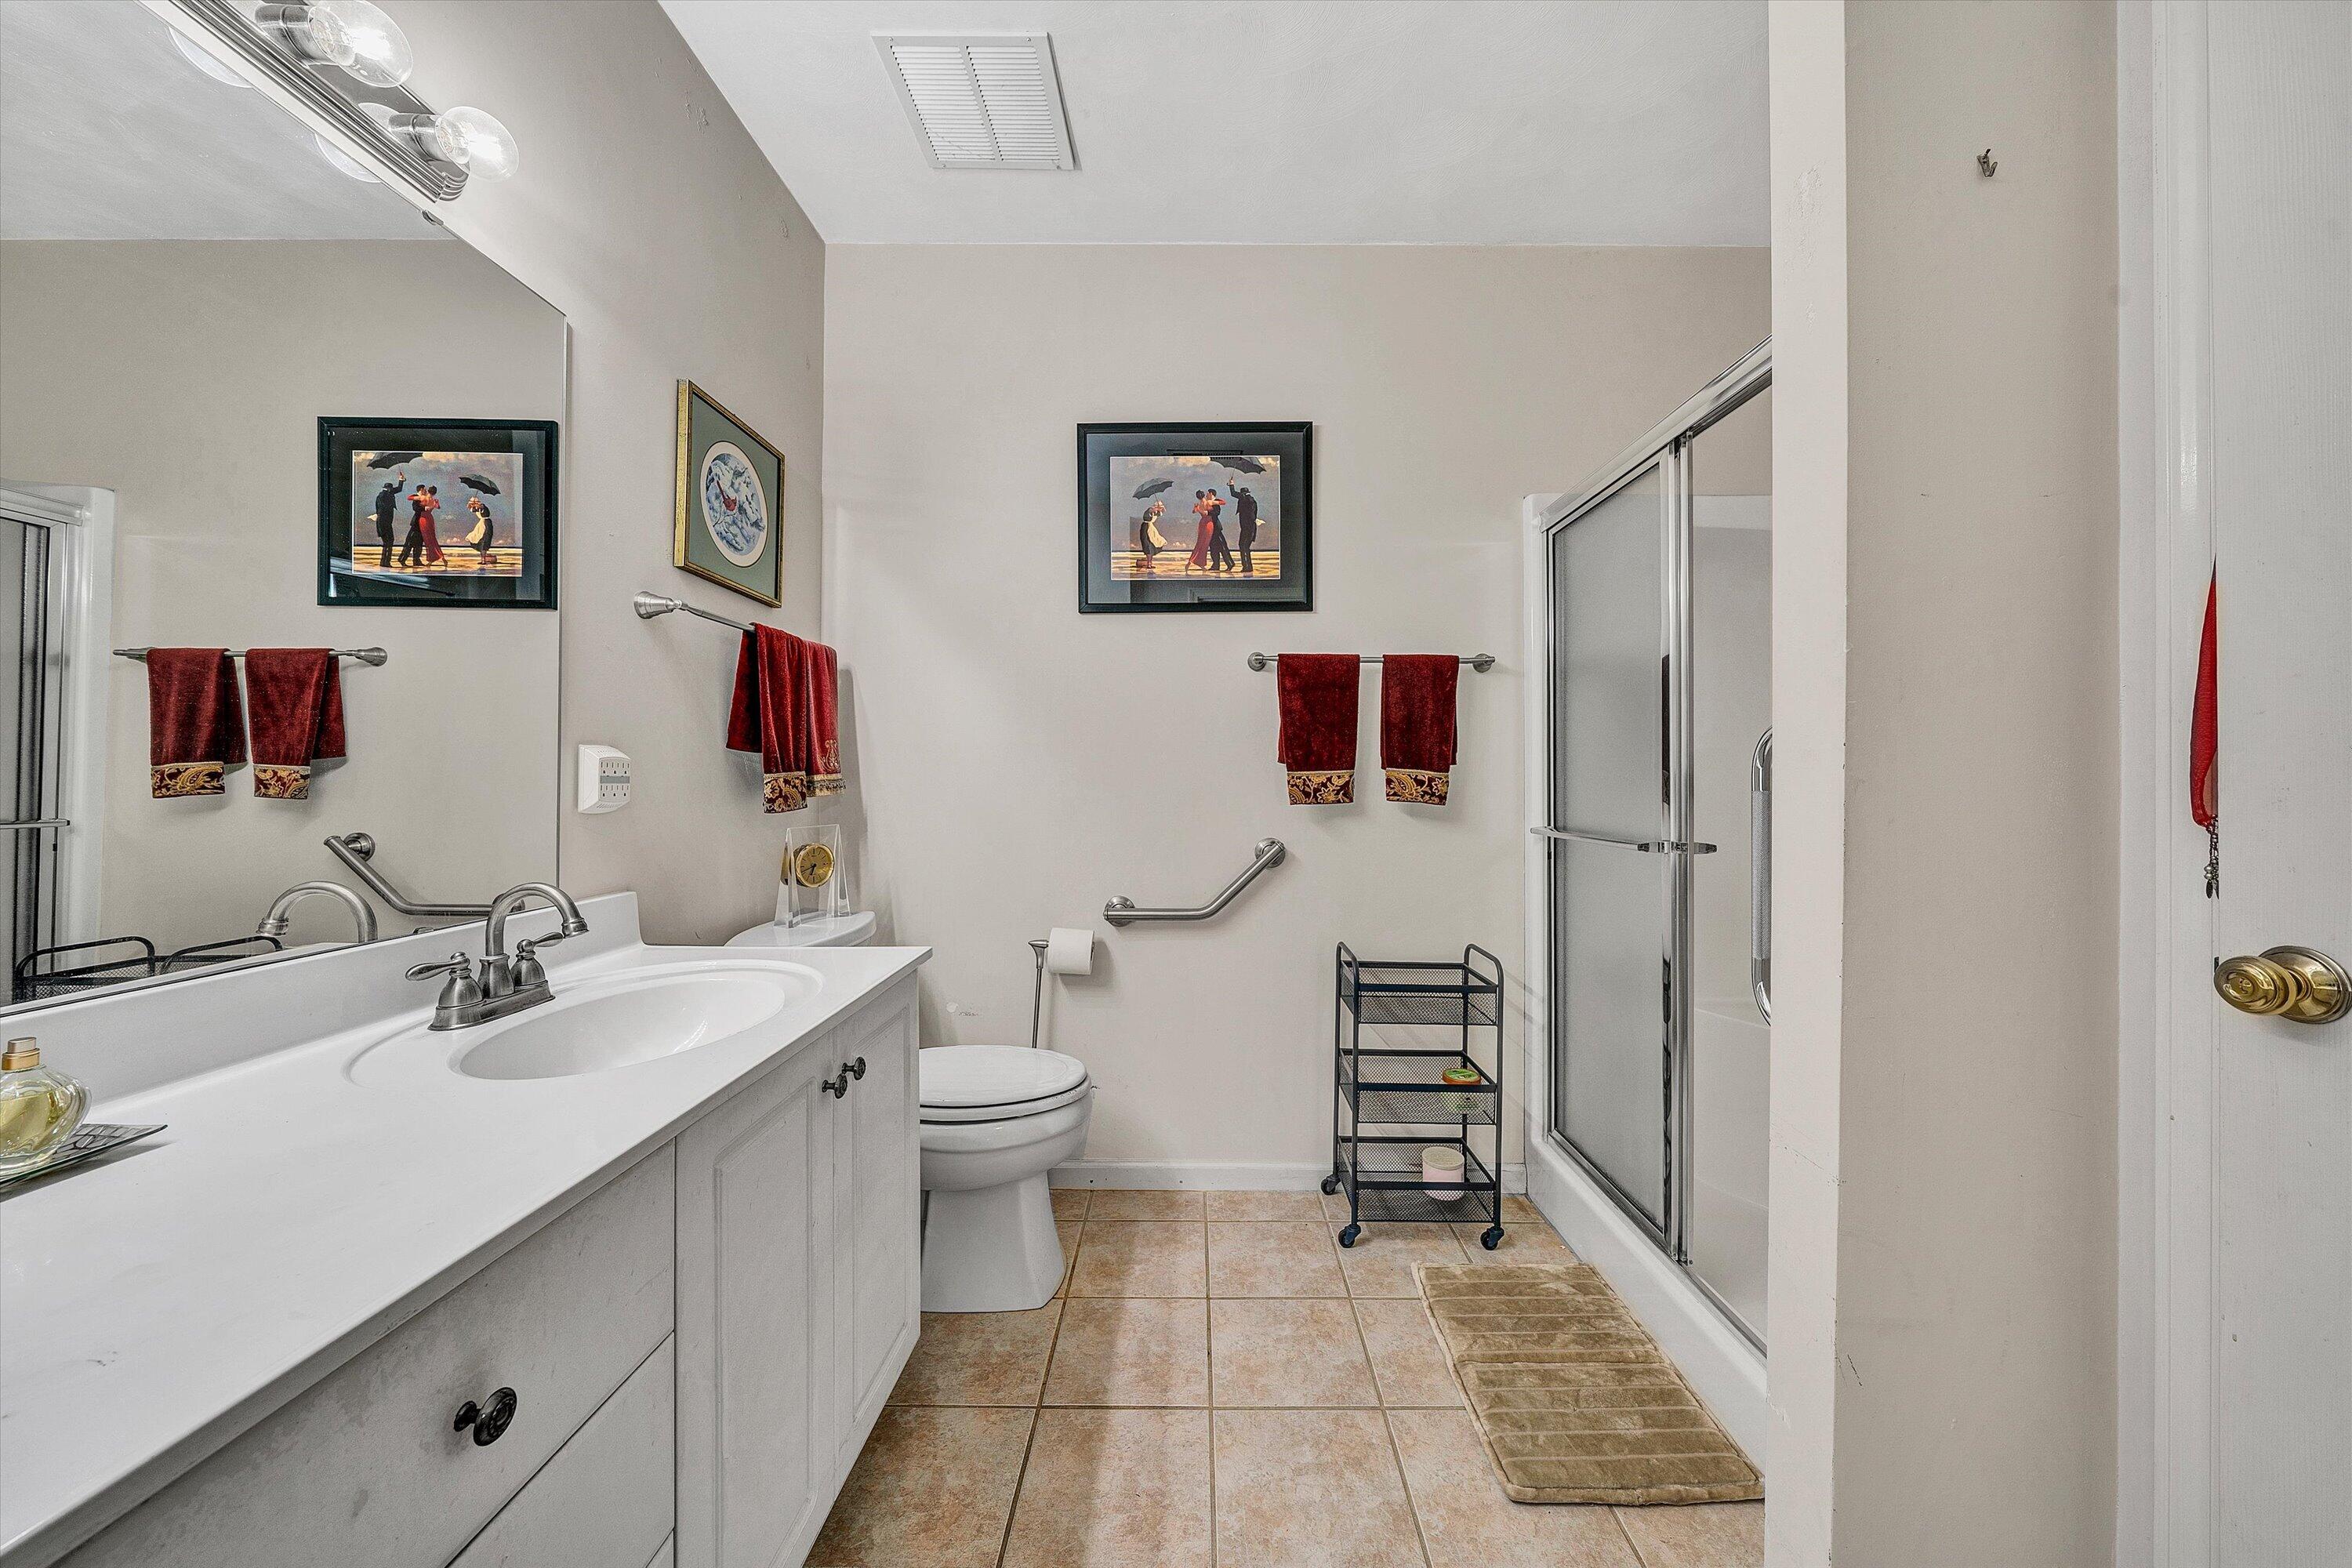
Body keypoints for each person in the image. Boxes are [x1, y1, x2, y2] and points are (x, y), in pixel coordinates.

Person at [370, 473, 402, 568]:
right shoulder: (383, 496)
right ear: (389, 489)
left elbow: (398, 489)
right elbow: (383, 508)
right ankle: (386, 562)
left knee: (387, 542)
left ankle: (384, 562)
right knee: (389, 541)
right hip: (384, 522)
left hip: (384, 522)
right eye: (391, 490)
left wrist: (401, 480)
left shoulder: (385, 494)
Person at [1203, 488, 1236, 574]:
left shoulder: (1216, 501)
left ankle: (1230, 563)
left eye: (1207, 494)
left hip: (1216, 528)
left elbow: (1217, 512)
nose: (1206, 495)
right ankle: (1216, 565)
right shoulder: (1209, 502)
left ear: (1211, 493)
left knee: (1222, 547)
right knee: (1213, 547)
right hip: (1210, 528)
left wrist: (1208, 513)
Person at [1231, 484, 1261, 576]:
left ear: (1243, 494)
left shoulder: (1244, 499)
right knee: (1246, 547)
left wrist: (1231, 484)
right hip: (1251, 527)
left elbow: (1233, 494)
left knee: (1242, 545)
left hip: (1247, 528)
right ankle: (1249, 567)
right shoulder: (1252, 500)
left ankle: (1246, 567)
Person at [1134, 499, 1167, 571]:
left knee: (1152, 547)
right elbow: (1151, 511)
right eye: (1159, 507)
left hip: (1151, 529)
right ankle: (1149, 564)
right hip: (1146, 529)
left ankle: (1150, 563)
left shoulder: (1156, 512)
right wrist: (1157, 508)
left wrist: (1162, 508)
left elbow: (1162, 512)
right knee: (1148, 546)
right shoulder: (1150, 510)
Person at [1188, 490, 1215, 572]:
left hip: (1203, 523)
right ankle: (1199, 563)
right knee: (1204, 544)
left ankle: (1192, 562)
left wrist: (1197, 508)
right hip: (1208, 524)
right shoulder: (1206, 503)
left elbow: (1194, 512)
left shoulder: (1200, 504)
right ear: (1204, 495)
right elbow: (1207, 513)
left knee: (1200, 543)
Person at [465, 495, 496, 564]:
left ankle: (483, 560)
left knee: (484, 541)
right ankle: (483, 560)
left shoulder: (482, 506)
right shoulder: (477, 508)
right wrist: (470, 504)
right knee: (480, 542)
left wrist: (474, 503)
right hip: (482, 525)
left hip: (486, 525)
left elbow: (480, 507)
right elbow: (470, 508)